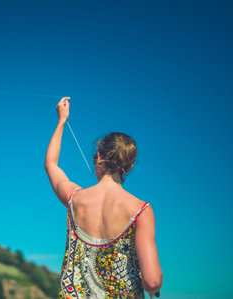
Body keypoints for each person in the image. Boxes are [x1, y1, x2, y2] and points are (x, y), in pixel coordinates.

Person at [45, 97, 163, 298]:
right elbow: (152, 282)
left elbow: (51, 164)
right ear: (130, 166)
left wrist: (62, 120)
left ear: (98, 156)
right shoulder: (141, 210)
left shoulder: (75, 198)